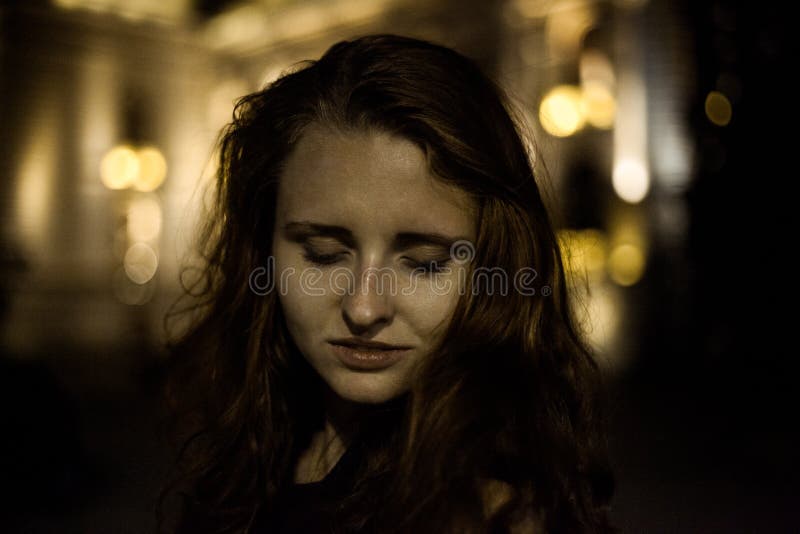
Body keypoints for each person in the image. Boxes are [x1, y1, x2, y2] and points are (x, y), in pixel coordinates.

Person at [158, 34, 615, 534]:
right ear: (263, 247)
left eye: (423, 263)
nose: (364, 306)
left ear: (496, 269)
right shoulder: (251, 445)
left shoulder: (496, 509)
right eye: (323, 255)